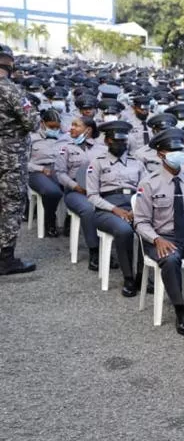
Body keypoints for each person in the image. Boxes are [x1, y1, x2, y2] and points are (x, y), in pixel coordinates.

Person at [134, 128, 184, 336]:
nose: (178, 153)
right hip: (161, 237)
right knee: (170, 258)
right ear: (160, 154)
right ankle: (180, 310)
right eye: (172, 150)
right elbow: (140, 222)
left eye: (180, 149)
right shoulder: (149, 183)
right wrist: (156, 239)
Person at [87, 121, 146, 296]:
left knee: (148, 228)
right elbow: (92, 195)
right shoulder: (97, 163)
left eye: (123, 142)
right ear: (107, 141)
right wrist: (115, 209)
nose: (120, 145)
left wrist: (137, 210)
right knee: (124, 230)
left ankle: (143, 276)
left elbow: (145, 190)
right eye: (115, 141)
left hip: (134, 204)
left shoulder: (137, 163)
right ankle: (128, 277)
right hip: (107, 209)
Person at [0, 45, 38, 275]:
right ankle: (5, 259)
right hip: (10, 157)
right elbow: (32, 121)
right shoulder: (10, 90)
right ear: (8, 63)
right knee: (11, 205)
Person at [54, 117, 104, 269]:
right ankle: (94, 252)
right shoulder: (66, 148)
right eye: (72, 125)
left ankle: (110, 249)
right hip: (75, 192)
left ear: (88, 130)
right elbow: (60, 173)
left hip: (98, 190)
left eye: (76, 125)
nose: (71, 128)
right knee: (88, 209)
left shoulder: (102, 149)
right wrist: (75, 186)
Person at [26, 109, 69, 238]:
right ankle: (50, 220)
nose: (54, 129)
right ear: (42, 123)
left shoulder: (65, 138)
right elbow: (23, 162)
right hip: (37, 172)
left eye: (57, 126)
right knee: (52, 192)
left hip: (59, 170)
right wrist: (41, 169)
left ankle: (69, 221)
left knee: (76, 188)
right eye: (51, 126)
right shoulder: (31, 138)